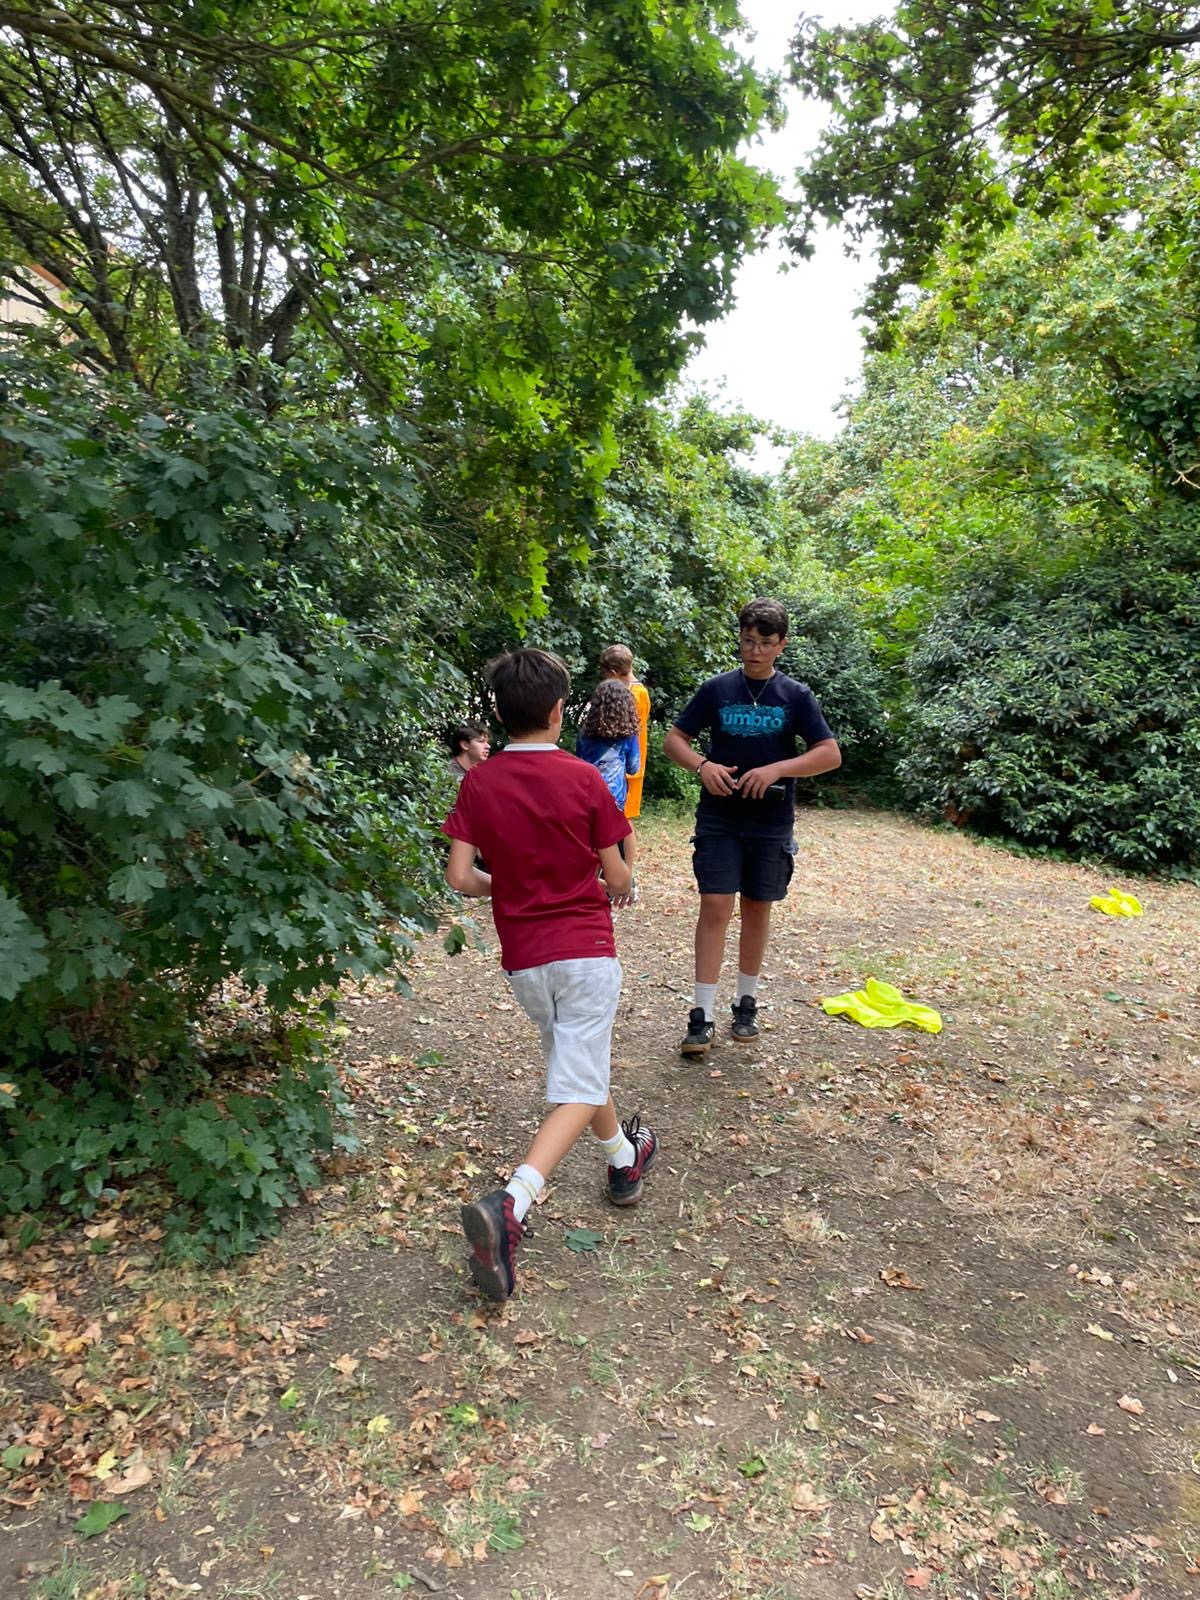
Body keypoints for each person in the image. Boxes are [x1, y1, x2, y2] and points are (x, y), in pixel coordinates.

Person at [443, 648, 658, 1301]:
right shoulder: (584, 778)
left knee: (579, 1067)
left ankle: (624, 1159)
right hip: (584, 948)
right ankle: (512, 1203)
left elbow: (460, 877)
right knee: (580, 1079)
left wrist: (505, 885)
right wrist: (619, 881)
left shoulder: (478, 783)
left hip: (525, 960)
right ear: (560, 710)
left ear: (499, 714)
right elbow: (617, 876)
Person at [663, 598, 841, 1055]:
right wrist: (702, 766)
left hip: (770, 822)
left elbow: (829, 753)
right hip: (719, 817)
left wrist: (778, 769)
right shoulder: (716, 690)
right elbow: (674, 740)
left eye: (765, 643)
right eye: (747, 641)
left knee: (758, 909)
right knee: (715, 905)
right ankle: (701, 1015)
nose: (754, 651)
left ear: (781, 644)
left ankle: (746, 1004)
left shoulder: (795, 695)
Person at [576, 679, 641, 900]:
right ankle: (626, 878)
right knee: (623, 832)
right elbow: (634, 766)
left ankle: (590, 886)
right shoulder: (628, 734)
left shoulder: (585, 733)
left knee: (591, 841)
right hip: (615, 798)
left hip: (586, 794)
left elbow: (579, 762)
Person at [599, 642, 651, 826]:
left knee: (623, 818)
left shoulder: (634, 694)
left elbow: (625, 731)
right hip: (621, 764)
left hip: (627, 766)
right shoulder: (638, 692)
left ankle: (626, 848)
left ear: (613, 673)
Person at [446, 721, 490, 785]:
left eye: (487, 742)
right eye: (481, 741)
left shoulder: (484, 775)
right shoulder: (446, 774)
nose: (488, 746)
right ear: (465, 745)